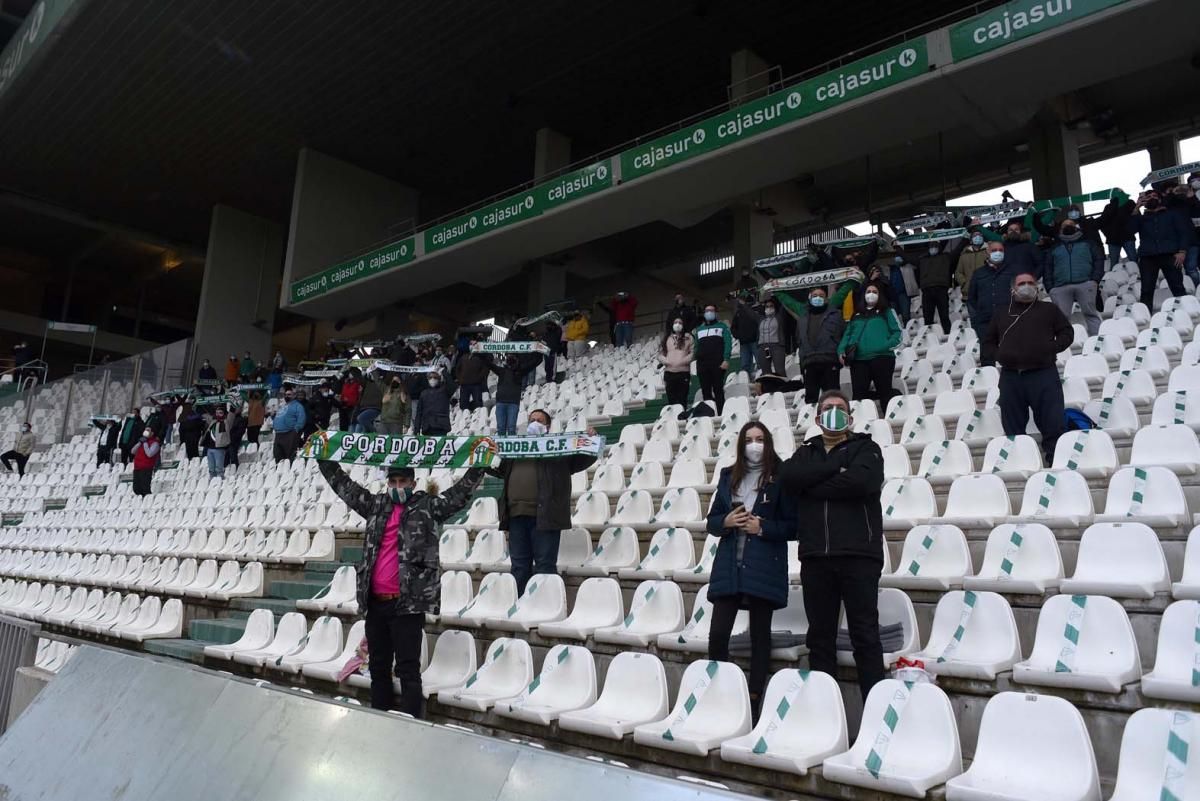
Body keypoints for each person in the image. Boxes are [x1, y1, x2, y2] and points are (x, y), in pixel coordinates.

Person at [317, 456, 488, 716]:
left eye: (403, 481)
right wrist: (324, 458)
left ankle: (412, 726)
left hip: (407, 604)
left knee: (408, 670)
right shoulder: (376, 505)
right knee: (378, 668)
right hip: (375, 602)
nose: (398, 486)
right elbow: (345, 487)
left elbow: (459, 495)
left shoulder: (427, 506)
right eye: (393, 481)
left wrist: (479, 465)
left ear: (413, 482)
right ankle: (379, 722)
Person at [781, 390, 886, 700]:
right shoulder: (807, 451)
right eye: (828, 408)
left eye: (840, 409)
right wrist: (834, 466)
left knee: (865, 636)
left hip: (859, 555)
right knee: (820, 638)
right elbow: (787, 478)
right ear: (817, 418)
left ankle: (875, 712)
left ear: (850, 417)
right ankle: (825, 712)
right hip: (815, 557)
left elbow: (861, 483)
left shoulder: (866, 447)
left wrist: (809, 485)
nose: (834, 413)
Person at [705, 421, 797, 720]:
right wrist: (726, 522)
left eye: (759, 439)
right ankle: (718, 690)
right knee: (718, 633)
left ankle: (755, 697)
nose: (754, 444)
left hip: (764, 564)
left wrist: (763, 527)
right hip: (730, 563)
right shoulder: (728, 476)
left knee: (760, 635)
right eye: (748, 439)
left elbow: (793, 526)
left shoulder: (782, 476)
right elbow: (712, 521)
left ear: (767, 442)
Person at [490, 409, 597, 595]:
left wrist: (591, 440)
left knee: (545, 566)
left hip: (545, 517)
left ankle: (545, 604)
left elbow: (584, 458)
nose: (534, 423)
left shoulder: (559, 449)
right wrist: (488, 454)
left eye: (539, 420)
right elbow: (497, 469)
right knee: (519, 567)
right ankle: (521, 605)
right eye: (531, 420)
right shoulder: (516, 449)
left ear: (547, 427)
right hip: (516, 517)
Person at [982, 272, 1073, 462]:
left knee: (1052, 422)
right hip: (1011, 377)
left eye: (1030, 282)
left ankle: (1056, 462)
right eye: (1021, 283)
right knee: (1012, 426)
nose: (1026, 286)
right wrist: (999, 355)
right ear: (1012, 289)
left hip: (1044, 374)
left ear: (1037, 286)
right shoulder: (1001, 312)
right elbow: (988, 341)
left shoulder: (1049, 310)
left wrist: (1051, 348)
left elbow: (1067, 332)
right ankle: (1022, 462)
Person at [838, 281, 901, 406]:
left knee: (885, 394)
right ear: (864, 295)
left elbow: (897, 332)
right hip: (859, 361)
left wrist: (884, 346)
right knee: (858, 397)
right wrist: (841, 350)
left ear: (879, 295)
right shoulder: (856, 314)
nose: (871, 294)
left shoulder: (886, 311)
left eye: (874, 292)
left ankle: (887, 421)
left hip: (882, 358)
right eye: (868, 292)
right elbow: (847, 334)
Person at [1129, 188, 1191, 309]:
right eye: (1148, 197)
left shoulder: (1172, 214)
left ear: (1160, 199)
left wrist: (1182, 251)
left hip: (1170, 254)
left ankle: (1187, 312)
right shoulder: (1141, 218)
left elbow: (1183, 233)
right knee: (1146, 290)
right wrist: (1137, 207)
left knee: (1177, 286)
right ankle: (1146, 318)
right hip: (1148, 257)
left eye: (1154, 196)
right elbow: (1130, 230)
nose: (1152, 198)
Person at [1043, 217, 1105, 336]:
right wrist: (1050, 288)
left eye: (1071, 224)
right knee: (1061, 320)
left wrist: (1094, 280)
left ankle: (1096, 343)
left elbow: (1098, 260)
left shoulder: (1088, 242)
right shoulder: (1054, 247)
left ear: (1077, 227)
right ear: (1060, 229)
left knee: (1091, 314)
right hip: (1060, 287)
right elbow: (1048, 267)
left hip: (1085, 283)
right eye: (1065, 225)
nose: (1068, 226)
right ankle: (1064, 349)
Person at [967, 241, 1021, 341]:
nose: (998, 253)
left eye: (1001, 250)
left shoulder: (1013, 271)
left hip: (1010, 321)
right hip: (985, 324)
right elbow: (971, 299)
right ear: (987, 252)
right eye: (994, 250)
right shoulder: (978, 273)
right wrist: (976, 323)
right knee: (989, 355)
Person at [914, 235, 967, 334]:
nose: (933, 249)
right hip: (927, 291)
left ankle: (948, 335)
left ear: (939, 248)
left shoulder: (946, 257)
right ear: (928, 248)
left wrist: (965, 239)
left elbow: (957, 250)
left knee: (944, 316)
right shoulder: (922, 259)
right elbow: (908, 258)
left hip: (941, 289)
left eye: (935, 246)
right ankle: (929, 336)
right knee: (927, 317)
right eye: (931, 247)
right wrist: (897, 247)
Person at [694, 303, 732, 414]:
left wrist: (726, 359)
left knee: (718, 390)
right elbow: (696, 346)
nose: (709, 312)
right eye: (706, 311)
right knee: (706, 391)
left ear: (715, 313)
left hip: (717, 363)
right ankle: (709, 414)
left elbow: (728, 343)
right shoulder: (699, 329)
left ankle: (721, 414)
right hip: (702, 365)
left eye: (711, 310)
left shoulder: (722, 327)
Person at [489, 353, 537, 436]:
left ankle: (510, 447)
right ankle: (501, 447)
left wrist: (539, 351)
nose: (511, 362)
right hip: (501, 403)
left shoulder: (520, 372)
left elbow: (535, 362)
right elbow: (488, 363)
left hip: (513, 403)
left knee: (511, 428)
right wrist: (478, 352)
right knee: (501, 428)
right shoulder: (501, 371)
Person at [658, 318, 694, 408]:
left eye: (680, 322)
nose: (677, 324)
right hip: (669, 373)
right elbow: (660, 353)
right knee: (671, 400)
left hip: (683, 372)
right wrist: (666, 361)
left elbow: (693, 352)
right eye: (675, 322)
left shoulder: (688, 337)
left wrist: (683, 361)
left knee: (682, 399)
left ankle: (682, 418)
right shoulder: (667, 338)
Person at [1099, 190, 1138, 267]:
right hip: (1115, 239)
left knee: (1133, 262)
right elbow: (1102, 222)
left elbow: (1136, 217)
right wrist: (1108, 234)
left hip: (1125, 237)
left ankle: (1138, 277)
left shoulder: (1129, 203)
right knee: (1117, 264)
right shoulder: (1108, 207)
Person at [272, 390, 307, 463]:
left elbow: (301, 417)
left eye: (289, 394)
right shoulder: (283, 406)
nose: (286, 396)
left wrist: (296, 429)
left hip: (290, 433)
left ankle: (290, 470)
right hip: (279, 433)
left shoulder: (298, 406)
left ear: (294, 396)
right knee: (278, 455)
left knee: (290, 455)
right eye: (285, 395)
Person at [757, 297, 787, 377]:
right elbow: (750, 313)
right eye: (767, 306)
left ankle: (783, 388)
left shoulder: (779, 317)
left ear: (775, 307)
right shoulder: (760, 319)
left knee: (780, 370)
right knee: (765, 372)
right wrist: (743, 304)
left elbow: (783, 306)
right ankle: (769, 388)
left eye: (771, 306)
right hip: (763, 347)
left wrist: (778, 294)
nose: (769, 308)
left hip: (777, 347)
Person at [730, 297, 760, 377]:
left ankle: (761, 381)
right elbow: (733, 327)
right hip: (743, 343)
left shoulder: (756, 310)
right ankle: (746, 383)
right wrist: (738, 336)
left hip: (755, 341)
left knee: (760, 362)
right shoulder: (738, 313)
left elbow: (760, 324)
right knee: (744, 365)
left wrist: (757, 335)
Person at [416, 371, 452, 436]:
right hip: (427, 427)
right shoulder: (423, 393)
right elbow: (419, 413)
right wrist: (417, 429)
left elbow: (452, 385)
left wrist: (444, 372)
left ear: (439, 379)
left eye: (435, 377)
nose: (432, 379)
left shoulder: (445, 390)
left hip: (441, 426)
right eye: (430, 377)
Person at [888, 252, 917, 324]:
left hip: (904, 294)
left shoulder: (909, 266)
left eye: (899, 257)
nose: (897, 259)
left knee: (906, 315)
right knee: (893, 316)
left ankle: (907, 330)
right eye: (896, 258)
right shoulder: (891, 268)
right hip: (892, 295)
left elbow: (915, 264)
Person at [131, 427, 160, 496]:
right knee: (136, 488)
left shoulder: (155, 443)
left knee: (145, 488)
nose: (146, 432)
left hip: (146, 468)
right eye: (145, 430)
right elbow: (133, 451)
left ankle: (148, 501)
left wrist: (145, 443)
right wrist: (139, 443)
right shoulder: (142, 442)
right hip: (137, 467)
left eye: (148, 430)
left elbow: (149, 454)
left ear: (152, 433)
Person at [203, 409, 231, 478]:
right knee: (211, 468)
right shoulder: (213, 421)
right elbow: (204, 415)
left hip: (219, 448)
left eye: (220, 413)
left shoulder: (226, 422)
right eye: (217, 413)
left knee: (219, 468)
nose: (218, 414)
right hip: (210, 448)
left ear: (224, 414)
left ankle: (220, 482)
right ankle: (212, 481)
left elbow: (231, 415)